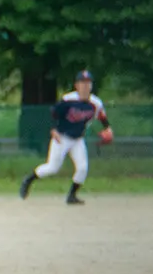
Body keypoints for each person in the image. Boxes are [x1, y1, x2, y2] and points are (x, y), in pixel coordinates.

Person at [20, 69, 111, 204]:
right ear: (76, 85)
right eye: (82, 82)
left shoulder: (95, 103)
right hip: (61, 137)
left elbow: (102, 116)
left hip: (77, 139)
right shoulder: (68, 100)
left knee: (82, 168)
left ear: (91, 85)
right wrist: (53, 130)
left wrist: (107, 129)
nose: (85, 85)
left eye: (88, 82)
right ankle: (28, 180)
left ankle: (71, 196)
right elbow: (53, 114)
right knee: (52, 168)